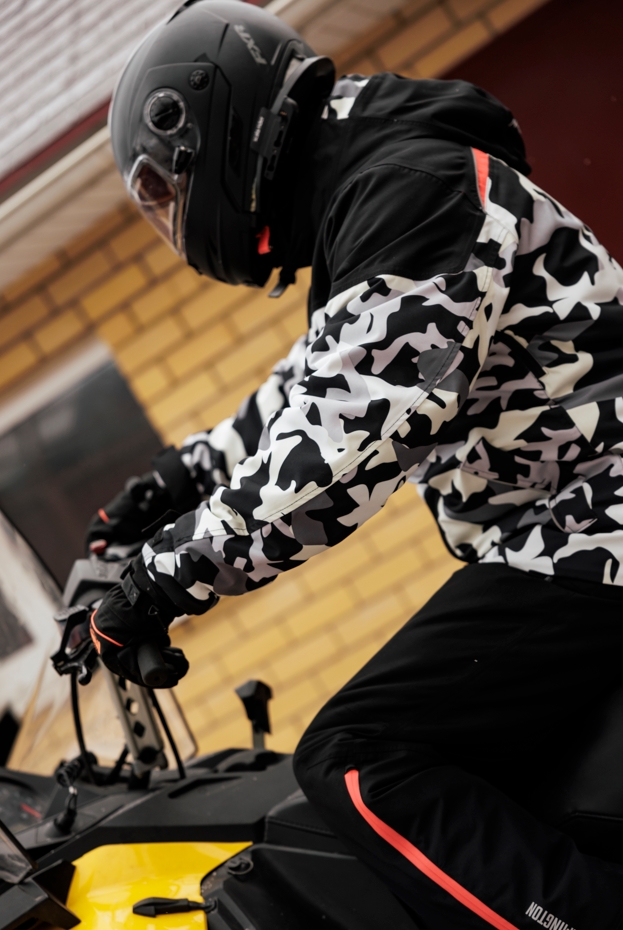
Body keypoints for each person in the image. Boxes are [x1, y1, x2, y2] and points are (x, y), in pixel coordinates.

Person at [89, 0, 623, 926]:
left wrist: (162, 581)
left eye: (167, 194)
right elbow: (317, 381)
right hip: (572, 525)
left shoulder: (410, 187)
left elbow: (346, 438)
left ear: (208, 129)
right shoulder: (379, 179)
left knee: (355, 753)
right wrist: (179, 477)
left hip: (590, 527)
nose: (176, 224)